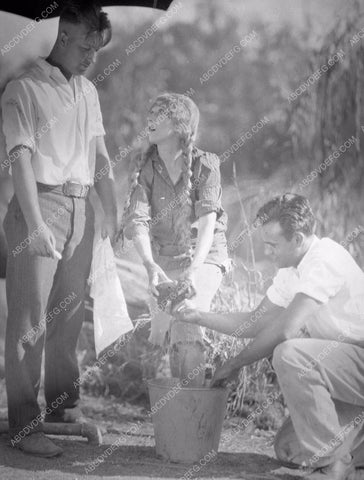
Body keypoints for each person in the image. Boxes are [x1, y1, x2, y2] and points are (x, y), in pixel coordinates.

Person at [175, 193, 364, 479]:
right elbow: (256, 321)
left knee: (290, 354)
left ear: (297, 239)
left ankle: (334, 468)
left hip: (357, 361)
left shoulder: (324, 260)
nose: (267, 253)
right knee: (288, 448)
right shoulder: (292, 267)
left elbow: (285, 330)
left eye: (273, 245)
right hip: (345, 373)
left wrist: (235, 363)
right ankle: (344, 453)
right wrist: (199, 316)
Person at [1, 1, 117, 457]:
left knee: (69, 315)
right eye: (87, 45)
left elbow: (101, 154)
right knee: (30, 322)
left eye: (98, 48)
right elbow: (20, 161)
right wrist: (34, 223)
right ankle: (26, 424)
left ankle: (63, 413)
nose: (92, 55)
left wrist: (112, 210)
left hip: (80, 206)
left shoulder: (87, 90)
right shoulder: (21, 89)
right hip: (40, 203)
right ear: (64, 36)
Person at [121, 93, 230, 386]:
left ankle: (193, 413)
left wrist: (193, 271)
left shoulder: (205, 164)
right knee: (157, 335)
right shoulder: (145, 166)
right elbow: (138, 222)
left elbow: (208, 223)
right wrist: (150, 266)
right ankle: (177, 404)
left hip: (203, 256)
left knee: (186, 319)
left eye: (160, 114)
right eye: (150, 112)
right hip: (163, 259)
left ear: (180, 125)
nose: (150, 119)